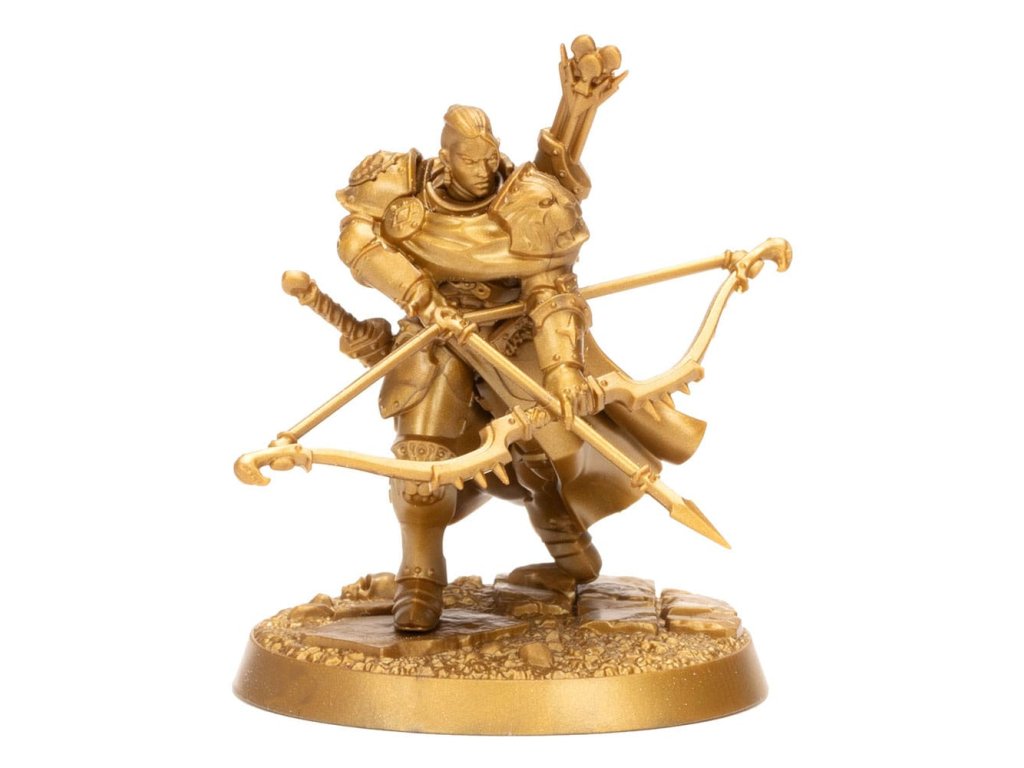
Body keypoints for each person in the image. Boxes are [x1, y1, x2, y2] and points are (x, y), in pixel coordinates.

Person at [334, 105, 705, 632]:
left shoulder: (531, 200)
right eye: (470, 161)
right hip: (434, 334)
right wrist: (417, 293)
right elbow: (356, 238)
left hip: (514, 333)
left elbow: (551, 293)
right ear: (446, 157)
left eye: (490, 158)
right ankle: (419, 575)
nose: (484, 170)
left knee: (544, 449)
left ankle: (558, 520)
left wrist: (564, 370)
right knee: (420, 451)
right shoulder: (402, 183)